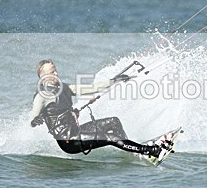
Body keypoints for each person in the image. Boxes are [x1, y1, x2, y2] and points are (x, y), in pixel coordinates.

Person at [29, 59, 167, 158]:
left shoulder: (64, 87)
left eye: (56, 70)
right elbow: (32, 119)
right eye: (52, 72)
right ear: (43, 76)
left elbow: (93, 88)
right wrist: (36, 120)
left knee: (113, 122)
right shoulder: (42, 95)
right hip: (68, 141)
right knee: (111, 138)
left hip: (76, 131)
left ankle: (131, 149)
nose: (56, 74)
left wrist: (114, 81)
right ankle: (151, 151)